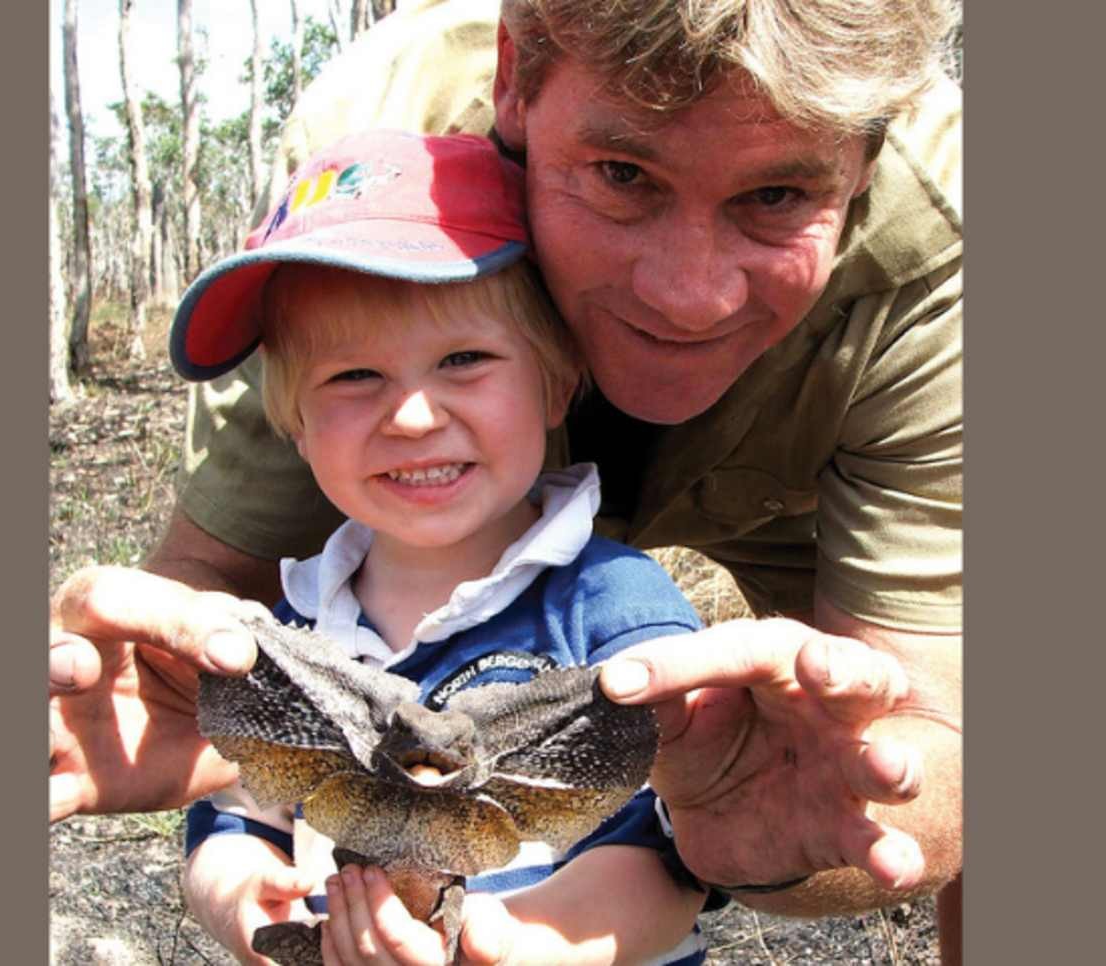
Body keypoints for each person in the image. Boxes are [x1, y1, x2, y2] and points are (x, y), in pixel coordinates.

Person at [50, 0, 962, 958]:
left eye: (776, 196)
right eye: (623, 173)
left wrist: (759, 835)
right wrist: (230, 836)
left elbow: (931, 729)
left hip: (810, 434)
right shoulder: (374, 141)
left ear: (865, 159)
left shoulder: (949, 228)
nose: (690, 296)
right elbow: (202, 628)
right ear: (515, 78)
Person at [175, 128, 709, 965]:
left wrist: (520, 944)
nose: (414, 416)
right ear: (295, 426)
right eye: (352, 377)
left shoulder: (612, 608)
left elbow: (673, 853)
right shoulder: (286, 634)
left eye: (463, 359)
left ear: (556, 381)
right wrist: (245, 899)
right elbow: (232, 815)